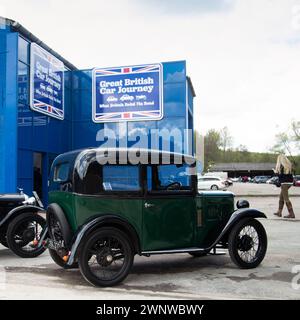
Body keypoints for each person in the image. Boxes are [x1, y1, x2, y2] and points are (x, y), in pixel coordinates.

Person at [273, 154, 295, 219]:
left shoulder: (281, 166)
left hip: (284, 184)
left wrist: (276, 172)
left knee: (286, 199)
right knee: (281, 198)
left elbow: (281, 177)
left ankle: (292, 214)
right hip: (289, 183)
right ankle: (279, 212)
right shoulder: (289, 165)